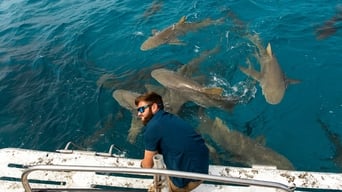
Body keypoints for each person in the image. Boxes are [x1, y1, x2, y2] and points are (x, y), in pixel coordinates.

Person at [135, 92, 209, 192]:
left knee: (155, 189)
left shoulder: (152, 126)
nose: (138, 114)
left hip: (189, 179)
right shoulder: (170, 118)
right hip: (202, 167)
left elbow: (147, 166)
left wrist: (142, 164)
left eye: (141, 109)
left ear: (154, 107)